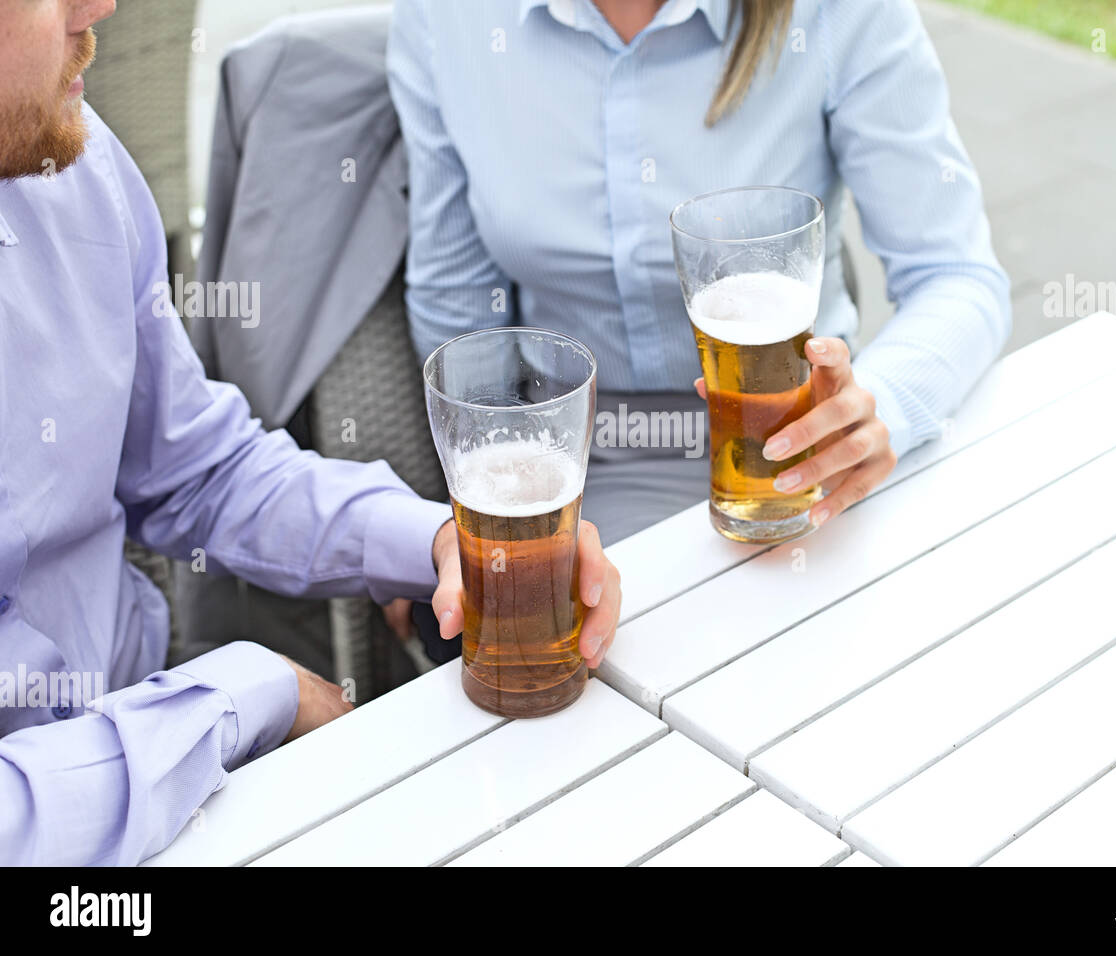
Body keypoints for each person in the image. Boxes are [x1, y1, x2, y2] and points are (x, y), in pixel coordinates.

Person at [0, 0, 622, 866]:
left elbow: (195, 471)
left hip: (160, 749)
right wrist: (230, 699)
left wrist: (440, 539)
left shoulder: (77, 168)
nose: (100, 5)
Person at [387, 0, 1011, 547]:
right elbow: (458, 311)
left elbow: (956, 274)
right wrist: (452, 519)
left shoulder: (839, 13)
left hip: (801, 454)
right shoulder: (448, 17)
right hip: (580, 469)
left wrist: (877, 408)